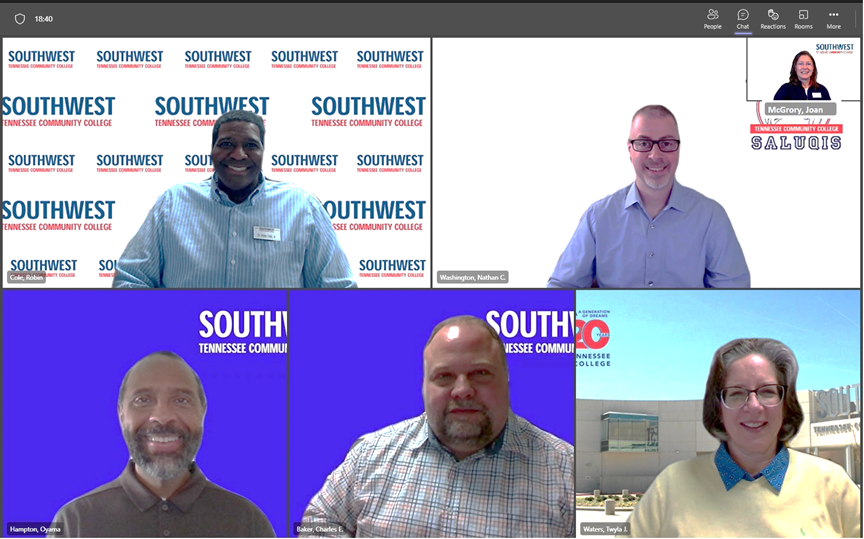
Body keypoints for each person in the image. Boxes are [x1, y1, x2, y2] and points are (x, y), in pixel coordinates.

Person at [300, 316, 574, 538]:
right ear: (424, 387)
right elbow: (318, 522)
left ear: (507, 380)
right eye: (444, 376)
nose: (463, 390)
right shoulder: (370, 454)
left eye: (480, 373)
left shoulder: (566, 472)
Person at [624, 339, 860, 538]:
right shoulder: (671, 486)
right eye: (737, 393)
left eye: (767, 391)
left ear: (785, 403)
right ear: (719, 407)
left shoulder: (834, 485)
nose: (754, 406)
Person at [113, 110, 356, 288]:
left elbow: (338, 293)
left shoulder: (303, 208)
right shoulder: (172, 203)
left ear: (263, 152)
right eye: (226, 144)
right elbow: (131, 281)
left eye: (251, 145)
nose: (238, 155)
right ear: (211, 151)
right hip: (186, 352)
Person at [50, 352, 276, 538]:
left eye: (181, 400)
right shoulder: (73, 523)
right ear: (121, 414)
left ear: (203, 412)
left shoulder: (248, 522)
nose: (162, 416)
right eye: (143, 400)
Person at [547, 105, 750, 288]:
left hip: (689, 329)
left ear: (678, 149)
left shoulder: (710, 217)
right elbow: (561, 290)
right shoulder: (598, 217)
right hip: (615, 328)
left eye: (667, 143)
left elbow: (734, 298)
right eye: (644, 143)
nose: (655, 155)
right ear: (630, 149)